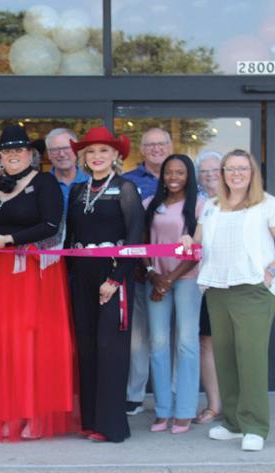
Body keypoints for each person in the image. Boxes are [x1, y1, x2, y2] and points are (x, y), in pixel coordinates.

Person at [181, 149, 275, 452]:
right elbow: (197, 244)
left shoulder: (268, 204)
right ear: (222, 174)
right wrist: (187, 242)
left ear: (252, 173)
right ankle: (233, 423)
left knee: (251, 358)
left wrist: (271, 272)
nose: (236, 174)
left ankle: (255, 426)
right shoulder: (212, 206)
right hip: (218, 290)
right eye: (230, 168)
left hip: (253, 290)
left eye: (242, 168)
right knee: (225, 358)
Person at [0, 125, 78, 442]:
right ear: (0, 158)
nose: (13, 155)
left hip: (33, 273)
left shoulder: (45, 183)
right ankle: (7, 413)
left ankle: (34, 414)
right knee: (1, 343)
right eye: (7, 152)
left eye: (19, 150)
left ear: (31, 154)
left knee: (30, 342)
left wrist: (8, 239)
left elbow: (50, 225)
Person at [65, 126, 144, 443]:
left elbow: (135, 239)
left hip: (113, 276)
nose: (97, 156)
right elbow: (70, 237)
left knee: (110, 349)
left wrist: (115, 278)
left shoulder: (126, 189)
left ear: (115, 155)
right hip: (81, 276)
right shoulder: (77, 191)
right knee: (86, 349)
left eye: (104, 151)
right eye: (91, 151)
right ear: (84, 158)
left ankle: (112, 426)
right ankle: (90, 421)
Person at [143, 154, 204, 434]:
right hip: (155, 279)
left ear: (189, 175)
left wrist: (170, 279)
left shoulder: (200, 205)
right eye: (169, 172)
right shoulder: (149, 204)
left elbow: (199, 249)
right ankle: (163, 409)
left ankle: (185, 410)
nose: (174, 177)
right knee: (157, 343)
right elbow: (142, 244)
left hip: (187, 278)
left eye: (180, 172)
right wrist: (153, 275)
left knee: (187, 343)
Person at [122, 127, 174, 416]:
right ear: (142, 150)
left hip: (178, 273)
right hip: (140, 272)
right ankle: (135, 394)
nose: (156, 148)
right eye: (150, 144)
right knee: (138, 337)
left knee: (174, 336)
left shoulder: (182, 178)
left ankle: (173, 392)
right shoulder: (129, 181)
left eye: (161, 143)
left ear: (170, 146)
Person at [193, 150, 224, 424]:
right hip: (205, 283)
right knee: (206, 342)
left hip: (238, 284)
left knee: (238, 343)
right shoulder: (198, 204)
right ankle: (214, 405)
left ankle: (239, 403)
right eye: (204, 171)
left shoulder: (244, 201)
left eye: (216, 169)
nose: (210, 175)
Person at [46, 127, 89, 211]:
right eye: (55, 149)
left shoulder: (92, 181)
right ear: (49, 154)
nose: (61, 154)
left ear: (76, 150)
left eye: (66, 148)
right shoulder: (41, 184)